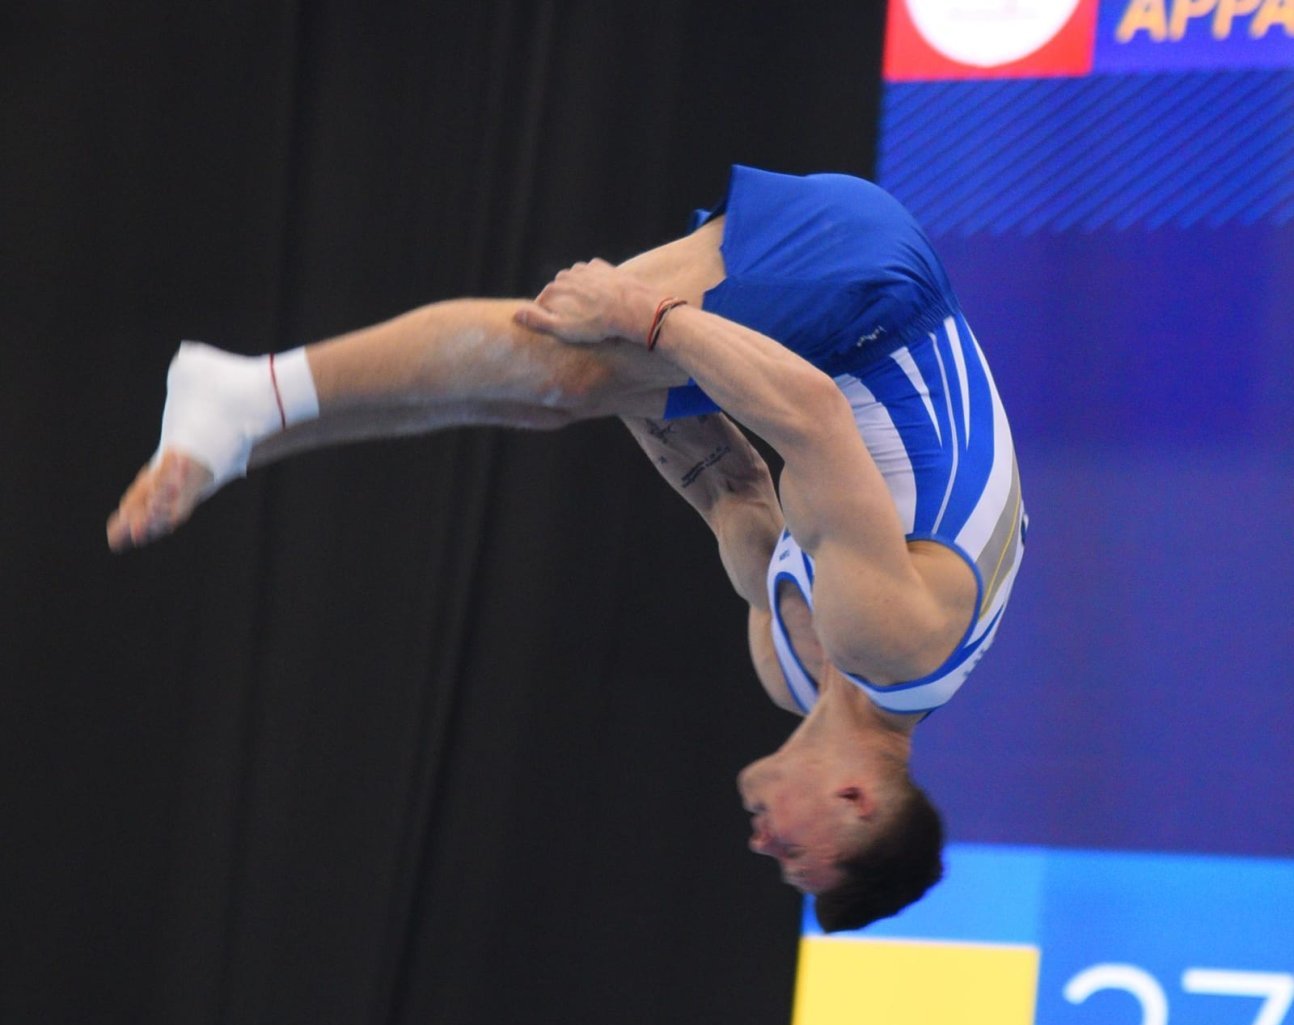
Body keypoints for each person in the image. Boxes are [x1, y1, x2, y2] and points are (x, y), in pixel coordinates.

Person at [107, 165, 1026, 931]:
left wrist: (627, 368)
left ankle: (242, 431)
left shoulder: (787, 664)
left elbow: (726, 479)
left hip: (826, 346)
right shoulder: (894, 642)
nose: (761, 843)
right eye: (793, 855)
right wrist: (642, 314)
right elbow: (818, 422)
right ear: (857, 806)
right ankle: (242, 397)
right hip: (877, 295)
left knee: (552, 395)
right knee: (571, 364)